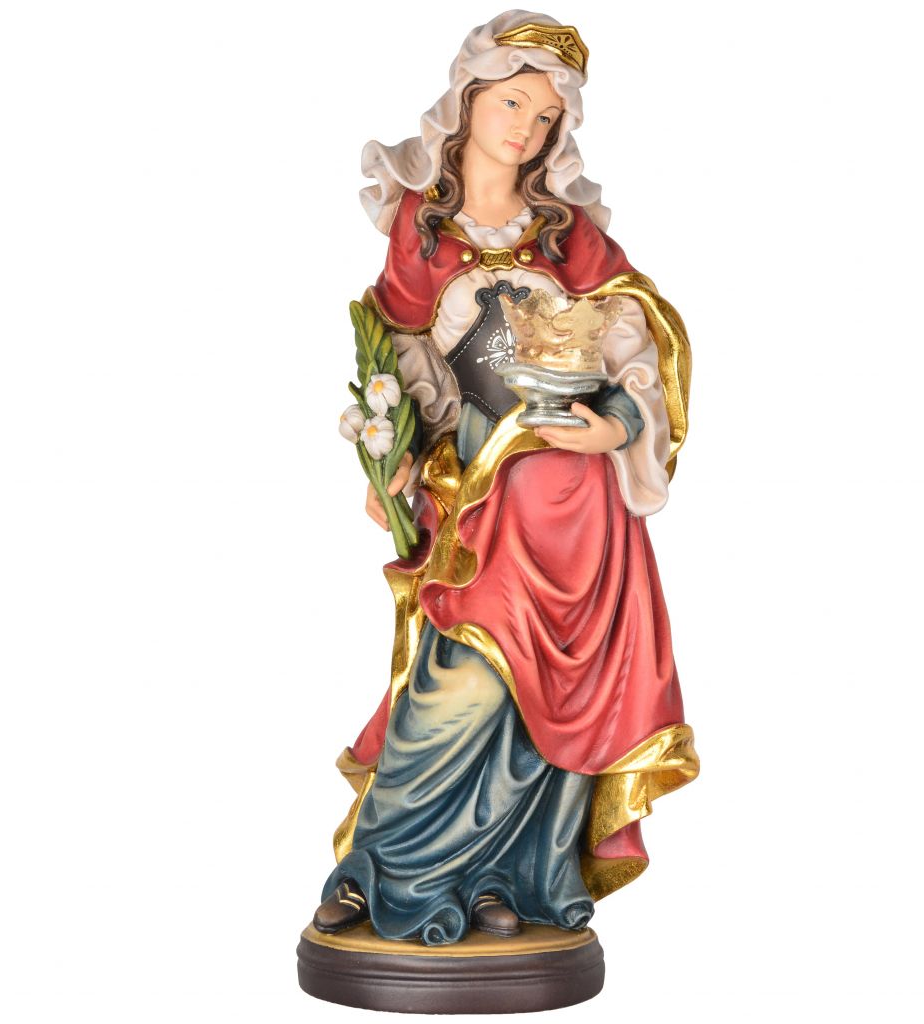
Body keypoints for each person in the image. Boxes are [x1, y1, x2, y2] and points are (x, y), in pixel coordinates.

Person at [314, 11, 699, 947]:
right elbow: (394, 350)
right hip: (484, 490)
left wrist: (615, 424)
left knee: (559, 703)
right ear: (469, 97)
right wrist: (390, 456)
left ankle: (509, 879)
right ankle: (381, 870)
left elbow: (640, 338)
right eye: (513, 102)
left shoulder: (568, 234)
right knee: (460, 683)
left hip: (579, 504)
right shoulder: (423, 228)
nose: (528, 127)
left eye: (548, 115)